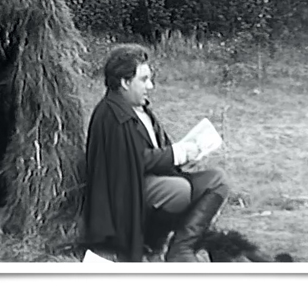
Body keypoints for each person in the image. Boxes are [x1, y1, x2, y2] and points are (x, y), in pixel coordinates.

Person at [82, 43, 229, 262]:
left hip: (152, 181)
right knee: (178, 191)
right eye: (143, 80)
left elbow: (154, 152)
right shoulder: (110, 116)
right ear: (124, 82)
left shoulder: (141, 110)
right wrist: (177, 154)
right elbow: (131, 161)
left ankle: (181, 248)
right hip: (128, 195)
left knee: (217, 180)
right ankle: (152, 244)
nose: (150, 86)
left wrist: (181, 159)